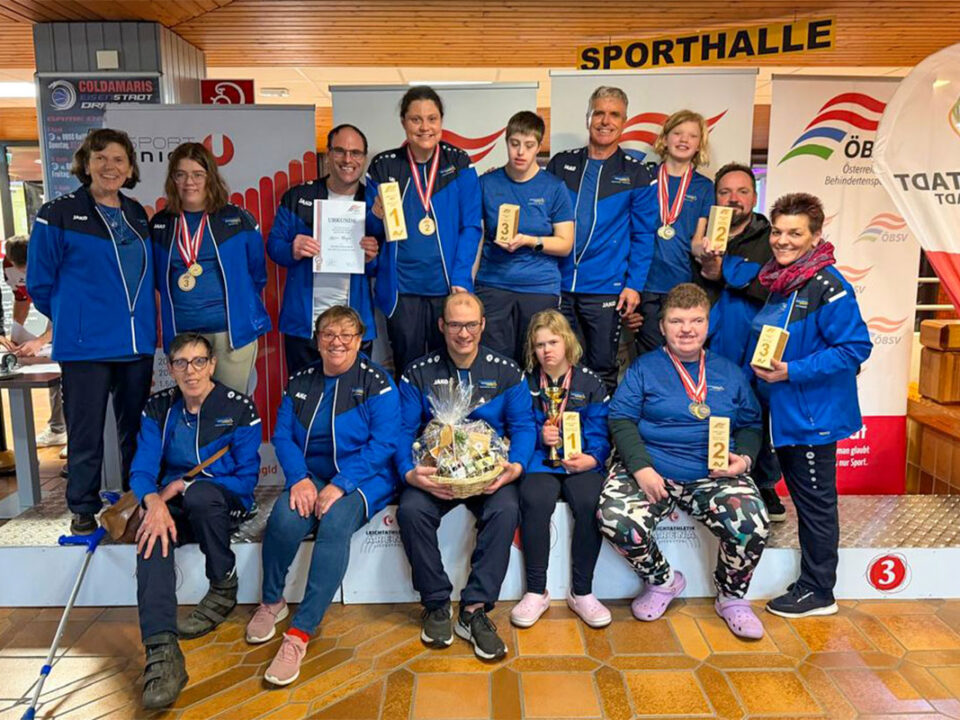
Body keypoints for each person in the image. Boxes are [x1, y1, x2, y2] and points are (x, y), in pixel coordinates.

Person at [598, 283, 769, 639]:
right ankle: (662, 581)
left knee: (753, 522)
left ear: (708, 324)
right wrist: (641, 468)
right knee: (614, 517)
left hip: (713, 475)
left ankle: (731, 597)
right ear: (662, 326)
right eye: (677, 321)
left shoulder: (730, 372)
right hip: (653, 468)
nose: (687, 329)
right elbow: (621, 419)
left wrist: (744, 460)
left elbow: (752, 424)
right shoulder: (644, 368)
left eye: (696, 321)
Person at [246, 306, 399, 686]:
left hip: (365, 477)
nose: (337, 342)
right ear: (317, 340)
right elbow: (283, 436)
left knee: (334, 523)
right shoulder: (300, 381)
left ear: (360, 341)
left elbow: (384, 444)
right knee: (283, 519)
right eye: (329, 334)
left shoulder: (377, 383)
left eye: (347, 335)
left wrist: (341, 484)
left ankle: (299, 634)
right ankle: (272, 601)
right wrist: (299, 479)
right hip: (312, 475)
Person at [28, 128, 156, 535]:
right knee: (85, 432)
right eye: (100, 158)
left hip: (135, 343)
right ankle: (83, 507)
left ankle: (134, 502)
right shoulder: (58, 212)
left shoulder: (136, 213)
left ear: (130, 168)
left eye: (118, 159)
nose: (109, 167)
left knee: (136, 431)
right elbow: (39, 283)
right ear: (85, 163)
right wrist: (75, 319)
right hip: (85, 347)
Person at [750, 193, 871, 618]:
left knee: (816, 506)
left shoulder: (828, 286)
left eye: (795, 233)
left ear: (816, 236)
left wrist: (792, 371)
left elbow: (855, 348)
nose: (782, 240)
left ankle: (819, 591)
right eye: (777, 231)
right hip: (786, 413)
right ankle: (813, 584)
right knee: (806, 501)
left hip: (812, 417)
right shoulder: (782, 280)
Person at [396, 291, 535, 661]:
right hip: (437, 474)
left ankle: (474, 610)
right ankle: (436, 603)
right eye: (456, 325)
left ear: (483, 325)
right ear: (442, 326)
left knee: (506, 509)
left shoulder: (506, 371)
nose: (463, 333)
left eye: (471, 325)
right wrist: (410, 473)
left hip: (488, 474)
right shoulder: (418, 372)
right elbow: (402, 430)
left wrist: (515, 467)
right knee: (411, 510)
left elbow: (524, 426)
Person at [129, 333, 262, 709]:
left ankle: (223, 585)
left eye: (199, 361)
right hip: (173, 505)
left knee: (201, 495)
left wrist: (186, 485)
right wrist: (152, 502)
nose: (191, 371)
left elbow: (246, 481)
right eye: (181, 363)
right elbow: (141, 469)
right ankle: (161, 649)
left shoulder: (239, 408)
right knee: (151, 532)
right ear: (170, 368)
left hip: (222, 503)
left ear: (212, 365)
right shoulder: (158, 407)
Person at [365, 86, 482, 375]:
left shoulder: (458, 162)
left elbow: (471, 226)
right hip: (402, 290)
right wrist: (375, 215)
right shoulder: (384, 165)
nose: (424, 127)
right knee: (408, 368)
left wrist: (461, 277)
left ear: (441, 121)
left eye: (432, 118)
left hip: (447, 288)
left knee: (451, 368)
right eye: (415, 119)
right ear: (403, 122)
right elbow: (371, 231)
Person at [547, 86, 656, 391]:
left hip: (606, 287)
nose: (605, 121)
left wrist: (633, 285)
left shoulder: (636, 173)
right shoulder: (560, 164)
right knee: (557, 363)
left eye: (614, 115)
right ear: (588, 117)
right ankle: (561, 420)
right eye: (599, 113)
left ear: (624, 121)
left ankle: (597, 424)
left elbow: (644, 235)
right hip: (559, 284)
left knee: (602, 367)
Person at [511, 309, 611, 629]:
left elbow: (601, 432)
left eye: (553, 342)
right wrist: (540, 435)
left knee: (589, 501)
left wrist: (593, 459)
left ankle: (582, 592)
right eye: (539, 344)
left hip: (581, 462)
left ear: (567, 341)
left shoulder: (590, 382)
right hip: (540, 461)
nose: (547, 351)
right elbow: (518, 424)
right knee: (534, 499)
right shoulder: (525, 382)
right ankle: (535, 591)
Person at [696, 163, 784, 522]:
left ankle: (764, 482)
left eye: (742, 191)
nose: (734, 199)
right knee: (710, 406)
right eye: (725, 192)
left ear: (754, 196)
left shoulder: (771, 237)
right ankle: (709, 476)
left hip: (755, 339)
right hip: (708, 338)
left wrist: (726, 271)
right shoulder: (701, 236)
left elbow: (773, 284)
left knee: (758, 410)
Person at [151, 142, 271, 394]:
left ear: (210, 178)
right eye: (181, 174)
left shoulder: (237, 219)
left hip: (231, 335)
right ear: (172, 180)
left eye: (198, 174)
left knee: (230, 406)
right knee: (191, 406)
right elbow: (157, 279)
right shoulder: (161, 224)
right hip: (184, 334)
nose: (189, 182)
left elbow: (257, 273)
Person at [268, 124, 379, 375]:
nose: (347, 159)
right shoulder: (298, 196)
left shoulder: (375, 203)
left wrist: (371, 258)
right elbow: (274, 246)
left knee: (352, 394)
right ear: (328, 154)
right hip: (304, 325)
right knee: (303, 392)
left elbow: (387, 264)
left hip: (354, 327)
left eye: (355, 153)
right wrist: (293, 249)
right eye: (340, 151)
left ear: (364, 158)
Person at [475, 111, 573, 362]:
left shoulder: (554, 187)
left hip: (538, 287)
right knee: (493, 361)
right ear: (506, 142)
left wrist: (530, 241)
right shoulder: (487, 183)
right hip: (493, 284)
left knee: (536, 360)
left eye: (529, 146)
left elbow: (565, 243)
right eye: (514, 144)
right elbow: (476, 238)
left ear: (539, 147)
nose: (520, 152)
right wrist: (468, 283)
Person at [626, 110, 714, 354]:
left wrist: (707, 250)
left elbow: (696, 241)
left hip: (681, 285)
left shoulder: (704, 187)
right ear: (665, 139)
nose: (684, 140)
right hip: (644, 284)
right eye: (677, 133)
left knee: (681, 354)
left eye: (692, 136)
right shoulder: (644, 177)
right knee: (650, 356)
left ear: (699, 144)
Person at [3, 234, 66, 451]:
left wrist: (41, 341)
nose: (24, 273)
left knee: (64, 363)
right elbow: (21, 298)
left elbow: (68, 312)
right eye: (20, 269)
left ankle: (74, 432)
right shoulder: (7, 265)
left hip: (66, 310)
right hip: (52, 309)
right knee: (51, 367)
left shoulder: (55, 262)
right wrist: (16, 331)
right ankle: (58, 429)